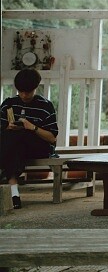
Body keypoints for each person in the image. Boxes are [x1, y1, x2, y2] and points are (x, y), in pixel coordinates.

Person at [0, 69, 58, 209]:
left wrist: (32, 127)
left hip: (38, 147)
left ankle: (10, 185)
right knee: (13, 140)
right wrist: (8, 127)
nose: (24, 95)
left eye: (28, 92)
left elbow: (52, 138)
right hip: (14, 147)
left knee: (17, 137)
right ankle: (14, 193)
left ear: (35, 88)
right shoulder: (9, 104)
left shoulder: (45, 106)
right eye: (21, 91)